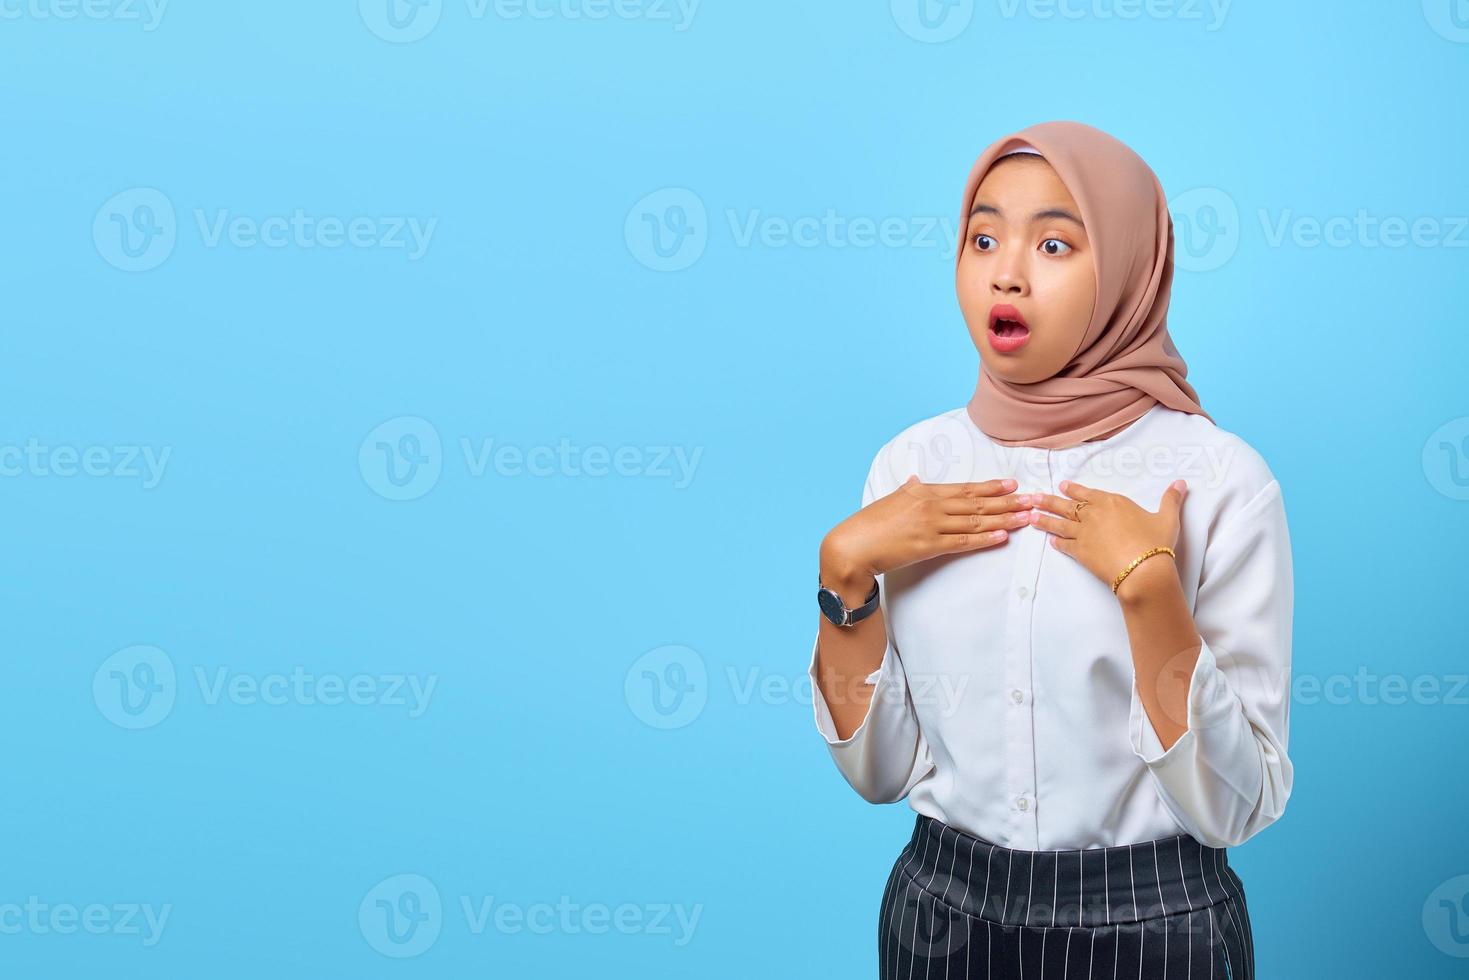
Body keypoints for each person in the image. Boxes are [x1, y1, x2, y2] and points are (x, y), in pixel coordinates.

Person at [809, 120, 1292, 979]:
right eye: (982, 237)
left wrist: (1149, 594)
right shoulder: (911, 466)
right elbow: (879, 775)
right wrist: (844, 578)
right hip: (939, 916)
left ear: (1128, 268)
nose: (1005, 271)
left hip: (1154, 923)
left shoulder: (1217, 478)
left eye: (1056, 243)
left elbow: (1237, 803)